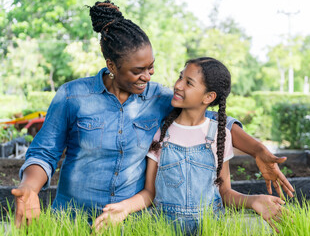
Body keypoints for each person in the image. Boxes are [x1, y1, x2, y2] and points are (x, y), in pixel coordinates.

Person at [11, 0, 293, 227]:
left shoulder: (159, 98)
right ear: (111, 65)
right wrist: (30, 187)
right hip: (71, 220)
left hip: (130, 222)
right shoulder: (73, 96)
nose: (148, 75)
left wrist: (257, 150)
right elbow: (44, 153)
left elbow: (214, 120)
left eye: (151, 66)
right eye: (138, 70)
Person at [93, 57, 285, 234]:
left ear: (208, 97)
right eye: (180, 77)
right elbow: (150, 192)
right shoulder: (162, 134)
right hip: (164, 229)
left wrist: (254, 201)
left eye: (188, 82)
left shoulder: (219, 135)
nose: (177, 85)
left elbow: (224, 193)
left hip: (211, 227)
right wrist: (125, 208)